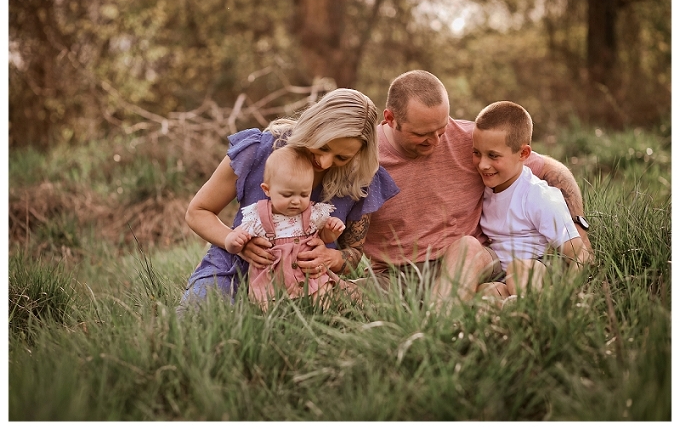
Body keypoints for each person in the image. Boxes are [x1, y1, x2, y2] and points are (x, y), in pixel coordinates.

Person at [362, 70, 592, 304]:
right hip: (396, 276)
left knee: (469, 249)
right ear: (390, 119)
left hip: (468, 263)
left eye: (441, 129)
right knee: (333, 294)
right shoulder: (362, 158)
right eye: (422, 134)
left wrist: (576, 227)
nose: (437, 141)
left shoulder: (473, 141)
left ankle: (439, 323)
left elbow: (553, 170)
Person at [177, 88, 399, 313]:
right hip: (235, 266)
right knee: (198, 318)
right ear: (313, 125)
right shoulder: (258, 150)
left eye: (342, 157)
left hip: (310, 283)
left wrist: (332, 257)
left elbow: (353, 255)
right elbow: (198, 211)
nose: (324, 162)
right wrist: (236, 243)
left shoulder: (358, 179)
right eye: (322, 146)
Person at [471, 101, 588, 299]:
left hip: (538, 269)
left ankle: (539, 309)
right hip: (503, 275)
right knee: (484, 294)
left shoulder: (538, 195)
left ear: (524, 154)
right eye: (476, 153)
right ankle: (514, 312)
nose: (482, 164)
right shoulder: (489, 188)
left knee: (519, 270)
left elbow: (580, 256)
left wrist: (569, 294)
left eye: (493, 156)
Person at [225, 145, 353, 309]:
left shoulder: (313, 213)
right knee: (265, 305)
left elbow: (324, 238)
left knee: (323, 296)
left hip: (309, 275)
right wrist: (234, 241)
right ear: (267, 190)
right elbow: (235, 241)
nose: (296, 201)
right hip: (271, 277)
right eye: (287, 194)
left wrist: (331, 231)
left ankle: (323, 318)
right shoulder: (258, 216)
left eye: (304, 194)